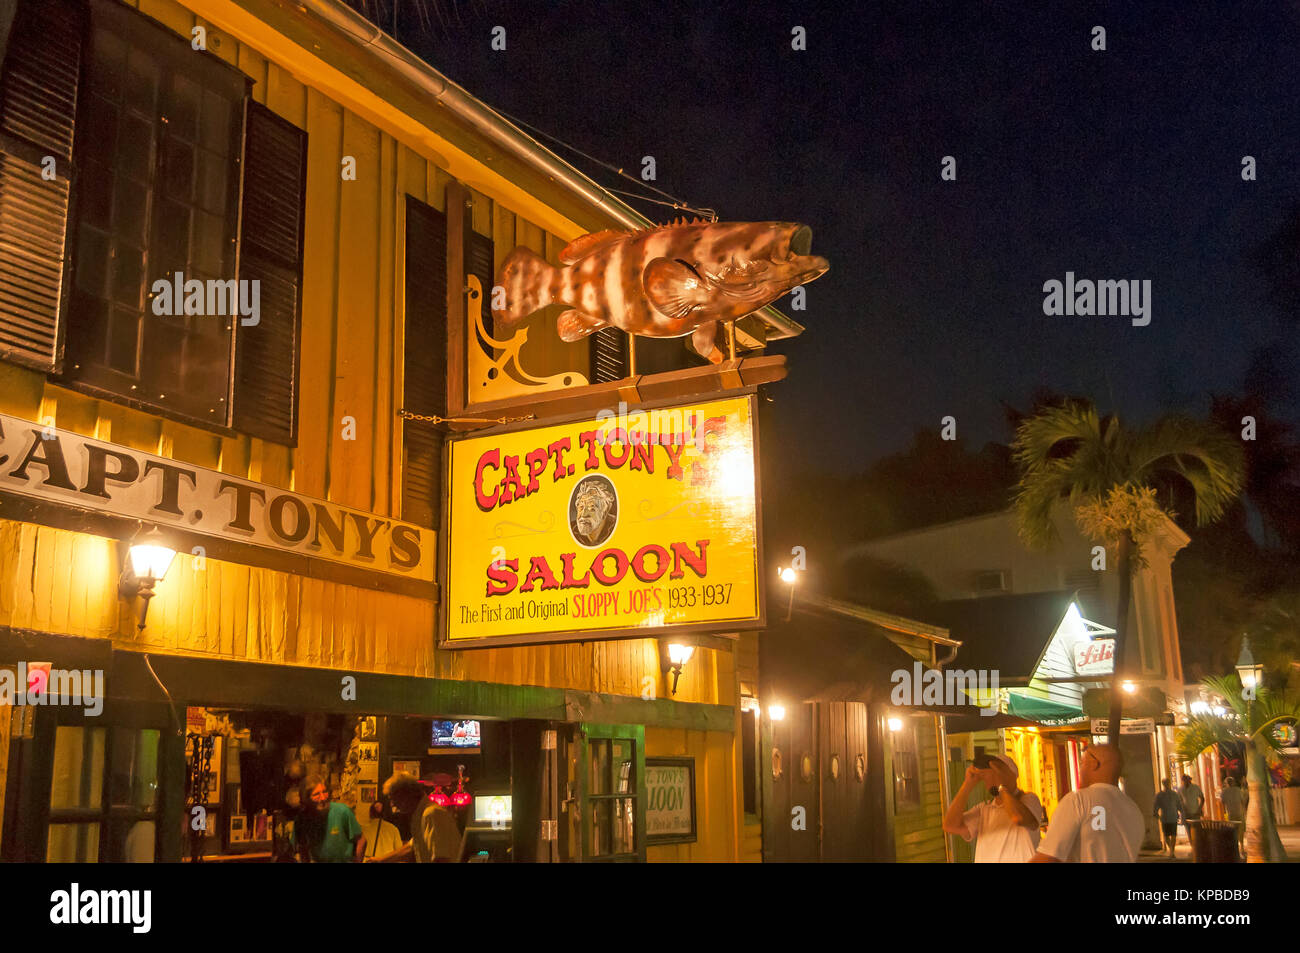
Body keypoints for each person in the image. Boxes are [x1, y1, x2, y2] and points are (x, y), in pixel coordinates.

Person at [1030, 744, 1145, 862]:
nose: (1079, 770)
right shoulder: (1133, 808)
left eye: (1081, 763)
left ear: (1094, 764)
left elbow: (1047, 857)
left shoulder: (1078, 800)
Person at [941, 753, 1044, 862]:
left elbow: (1018, 817)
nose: (990, 779)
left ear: (1012, 775)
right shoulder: (984, 810)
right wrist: (968, 784)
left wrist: (1002, 786)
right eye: (987, 775)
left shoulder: (1029, 799)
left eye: (996, 773)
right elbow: (950, 826)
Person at [373, 772, 462, 862]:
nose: (393, 805)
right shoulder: (421, 814)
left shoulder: (431, 814)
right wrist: (380, 860)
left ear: (406, 795)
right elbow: (412, 847)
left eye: (394, 799)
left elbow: (441, 859)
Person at [296, 776, 366, 863]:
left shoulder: (342, 811)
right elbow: (302, 847)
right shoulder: (302, 818)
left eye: (325, 792)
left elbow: (361, 840)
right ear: (306, 798)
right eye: (316, 794)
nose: (323, 798)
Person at [1152, 777, 1182, 857]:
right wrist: (1155, 813)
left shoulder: (1174, 794)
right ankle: (1171, 850)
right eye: (1165, 783)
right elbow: (1156, 805)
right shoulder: (1160, 795)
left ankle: (1172, 851)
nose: (1166, 784)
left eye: (1167, 783)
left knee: (1173, 835)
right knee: (1166, 835)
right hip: (1165, 817)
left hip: (1173, 816)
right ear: (1163, 784)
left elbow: (1179, 804)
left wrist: (1181, 812)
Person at [1219, 775, 1248, 855]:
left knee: (1233, 830)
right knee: (1241, 830)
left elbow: (1222, 802)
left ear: (1226, 783)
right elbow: (1243, 801)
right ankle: (1241, 847)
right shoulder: (1238, 790)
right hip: (1239, 812)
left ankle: (1236, 848)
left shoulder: (1224, 792)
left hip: (1231, 813)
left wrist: (1224, 813)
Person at [1180, 773, 1205, 856]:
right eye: (1183, 780)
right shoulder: (1181, 789)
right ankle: (1193, 849)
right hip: (1186, 813)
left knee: (1197, 831)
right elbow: (1179, 800)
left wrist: (1199, 808)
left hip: (1195, 812)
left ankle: (1199, 848)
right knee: (1189, 832)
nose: (1184, 782)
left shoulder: (1195, 787)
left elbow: (1202, 798)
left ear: (1189, 780)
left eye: (1186, 780)